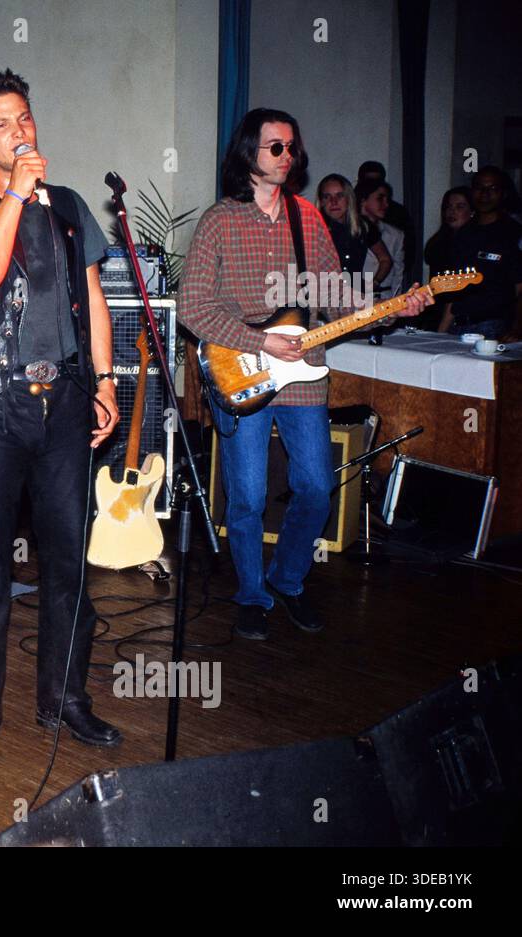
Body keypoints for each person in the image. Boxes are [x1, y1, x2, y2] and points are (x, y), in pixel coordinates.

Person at [0, 69, 122, 780]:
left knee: (69, 567)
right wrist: (13, 196)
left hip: (65, 404)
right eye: (1, 124)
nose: (19, 132)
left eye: (25, 119)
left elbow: (92, 297)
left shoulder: (69, 207)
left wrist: (104, 379)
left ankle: (64, 698)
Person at [179, 110, 431, 641]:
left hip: (305, 375)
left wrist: (392, 306)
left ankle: (288, 580)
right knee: (247, 496)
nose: (287, 156)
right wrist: (260, 340)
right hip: (240, 371)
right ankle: (250, 594)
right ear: (249, 153)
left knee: (316, 488)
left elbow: (335, 295)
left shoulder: (307, 218)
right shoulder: (219, 221)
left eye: (292, 147)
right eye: (275, 147)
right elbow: (192, 308)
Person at [438, 167, 522, 339]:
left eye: (492, 189)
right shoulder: (464, 233)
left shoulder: (512, 233)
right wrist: (440, 332)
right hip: (459, 325)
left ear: (503, 193)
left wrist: (516, 329)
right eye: (479, 188)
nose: (484, 194)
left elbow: (520, 287)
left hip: (493, 326)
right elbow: (454, 290)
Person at [315, 173, 390, 284]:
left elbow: (385, 259)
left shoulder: (363, 226)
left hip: (356, 295)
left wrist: (374, 282)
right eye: (327, 197)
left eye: (339, 196)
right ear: (321, 202)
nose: (333, 202)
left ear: (349, 198)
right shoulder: (313, 230)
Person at [357, 178, 406, 300]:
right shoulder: (351, 232)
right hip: (358, 299)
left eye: (387, 199)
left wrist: (397, 302)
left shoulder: (396, 234)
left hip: (385, 298)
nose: (386, 204)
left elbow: (398, 273)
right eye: (380, 199)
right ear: (363, 200)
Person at [423, 186, 473, 277]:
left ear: (472, 211)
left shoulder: (475, 242)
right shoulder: (438, 241)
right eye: (449, 206)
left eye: (459, 207)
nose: (452, 211)